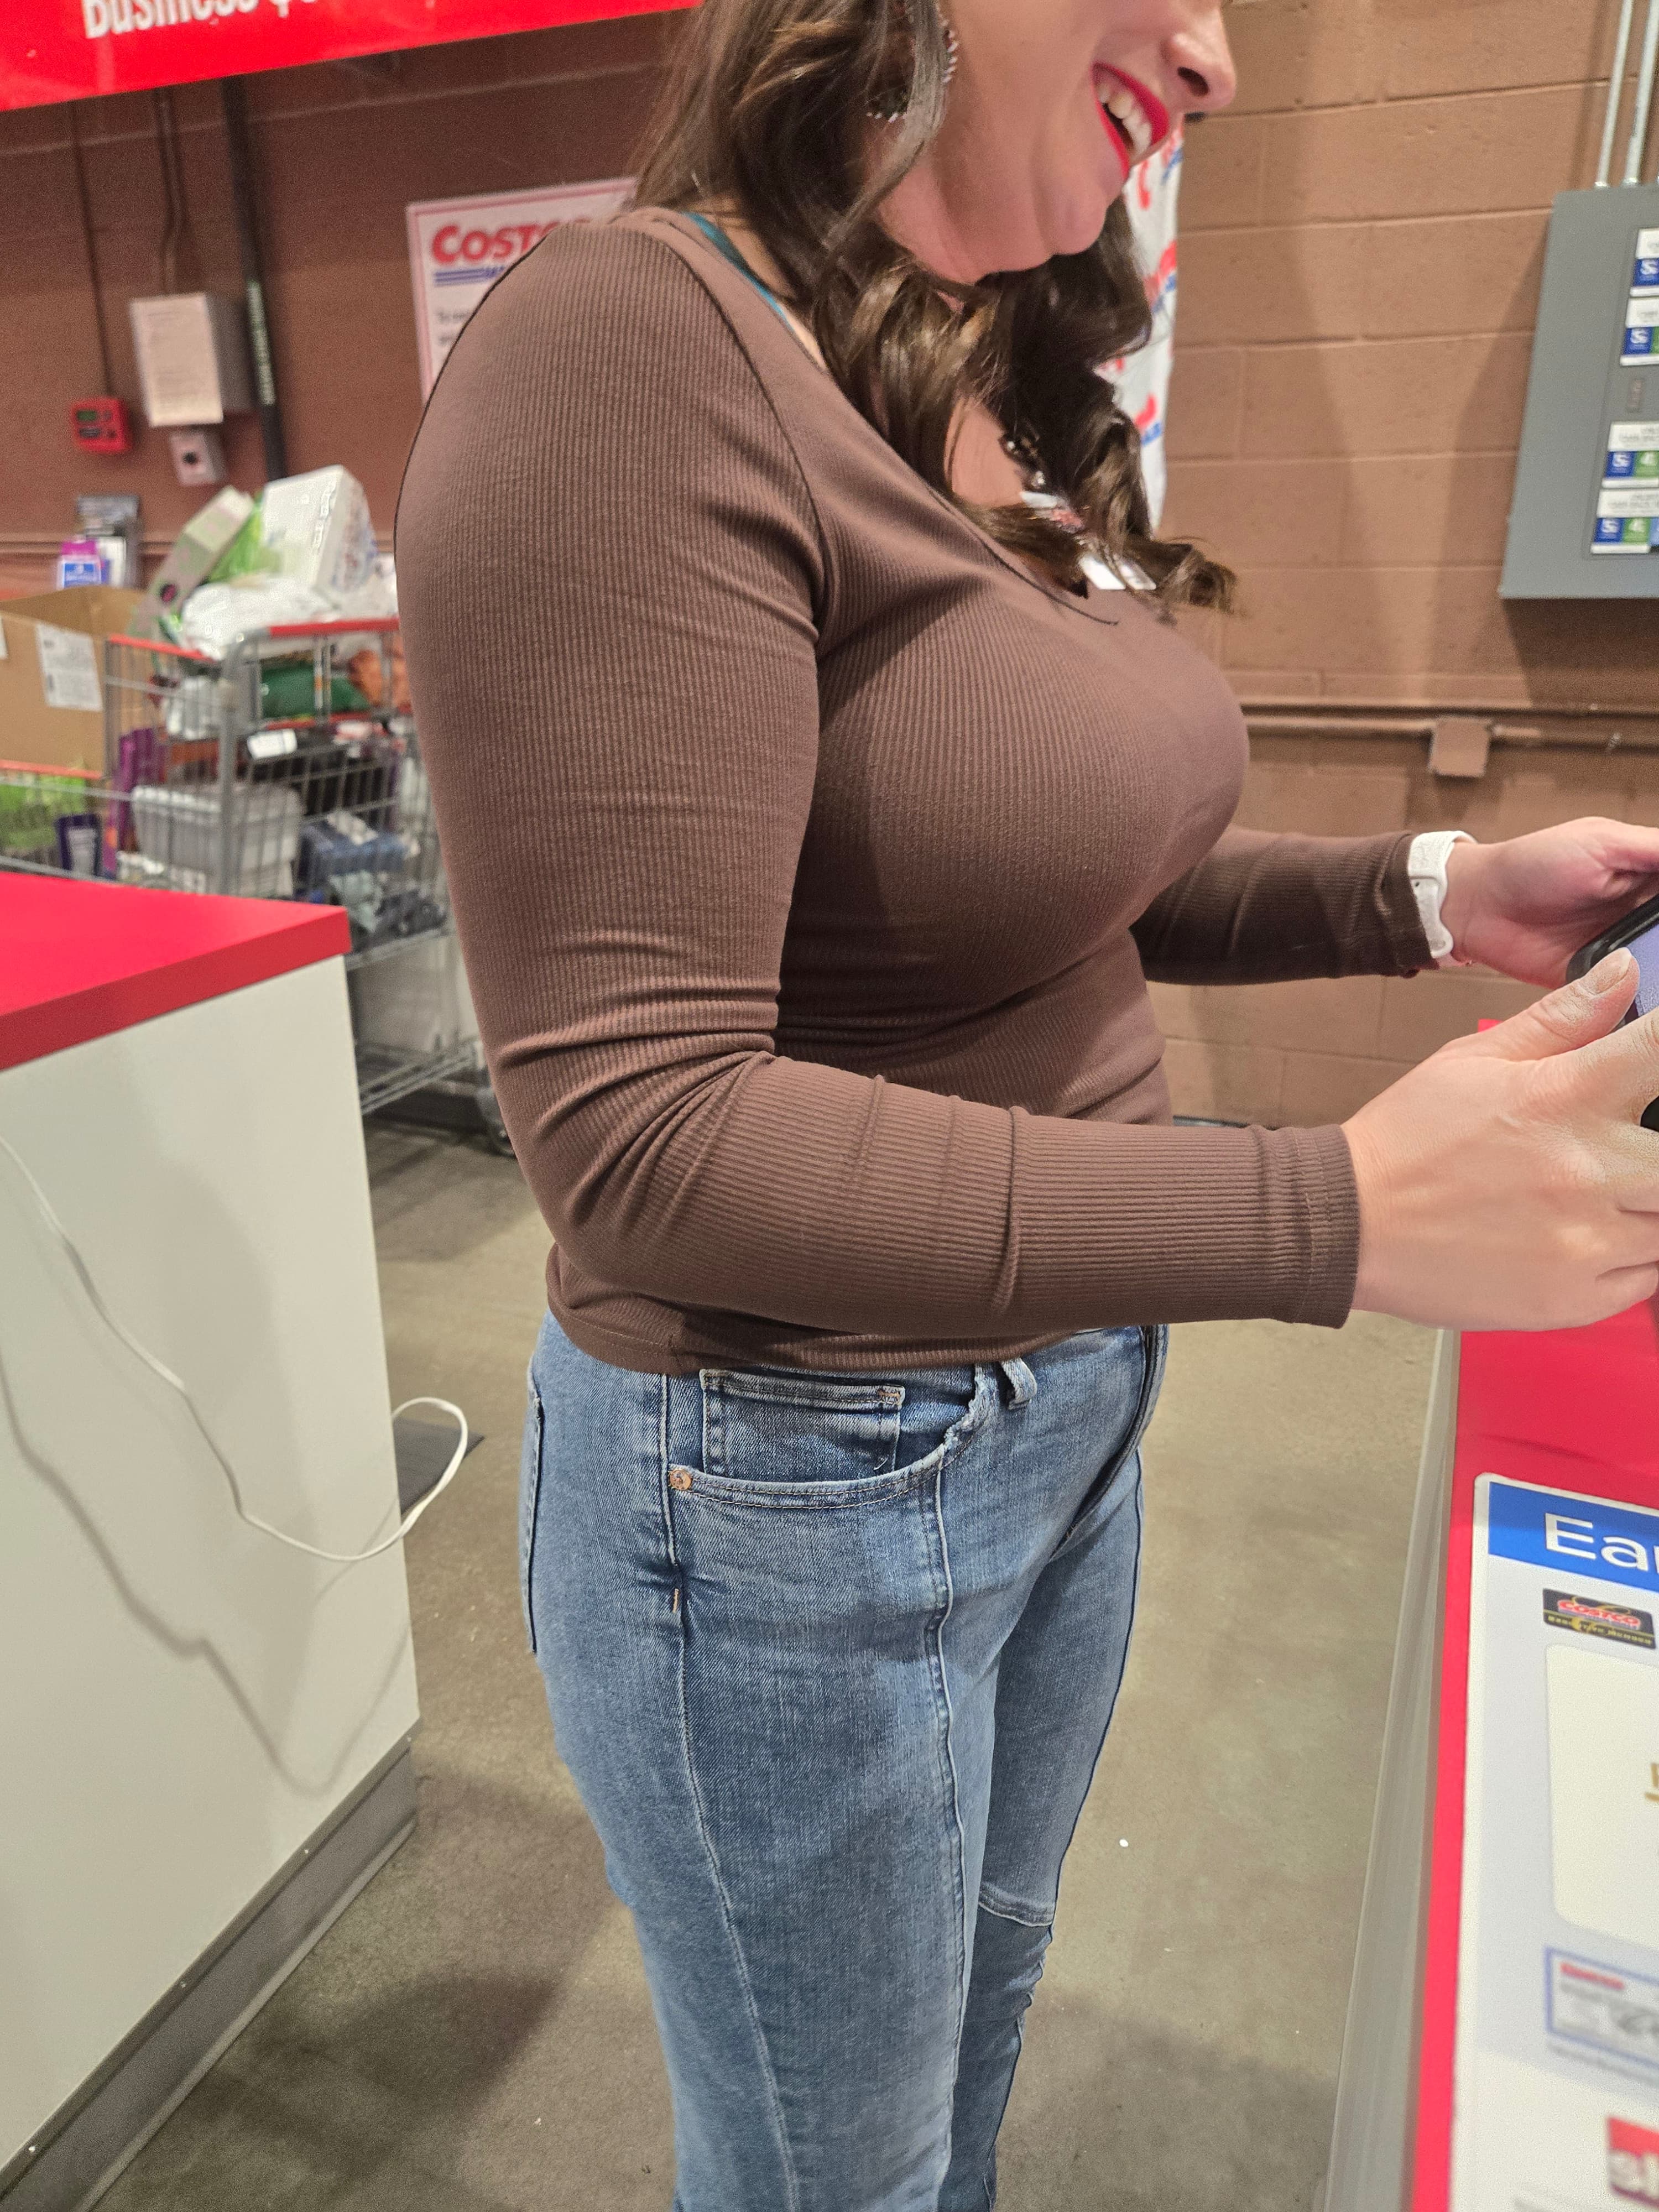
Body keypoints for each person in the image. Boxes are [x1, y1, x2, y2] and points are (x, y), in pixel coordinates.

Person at [395, 1, 1659, 2201]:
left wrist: (1433, 890)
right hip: (794, 1478)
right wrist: (1334, 1212)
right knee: (841, 2170)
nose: (1217, 57)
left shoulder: (964, 382)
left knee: (967, 2050)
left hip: (1062, 1404)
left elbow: (1061, 884)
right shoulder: (625, 351)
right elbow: (644, 1137)